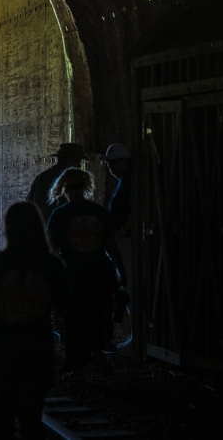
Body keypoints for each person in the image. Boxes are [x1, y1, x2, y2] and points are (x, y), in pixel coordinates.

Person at [0, 202, 74, 440]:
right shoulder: (51, 265)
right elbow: (67, 308)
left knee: (3, 412)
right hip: (36, 345)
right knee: (31, 418)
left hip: (1, 344)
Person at [45, 168, 127, 377]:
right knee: (97, 318)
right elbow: (110, 245)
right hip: (101, 275)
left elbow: (50, 249)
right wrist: (121, 272)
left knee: (72, 321)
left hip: (72, 276)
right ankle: (97, 354)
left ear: (64, 189)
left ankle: (78, 366)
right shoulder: (98, 211)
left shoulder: (60, 214)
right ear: (86, 187)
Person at [103, 143, 133, 348]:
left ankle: (136, 337)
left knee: (128, 284)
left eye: (113, 163)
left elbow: (135, 207)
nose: (110, 167)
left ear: (124, 161)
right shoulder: (124, 180)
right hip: (120, 238)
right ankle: (134, 335)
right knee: (126, 284)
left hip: (124, 240)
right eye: (108, 163)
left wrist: (124, 229)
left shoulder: (128, 181)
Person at [26, 143, 86, 219]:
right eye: (78, 161)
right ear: (68, 159)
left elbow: (29, 203)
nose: (79, 166)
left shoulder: (41, 176)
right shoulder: (65, 179)